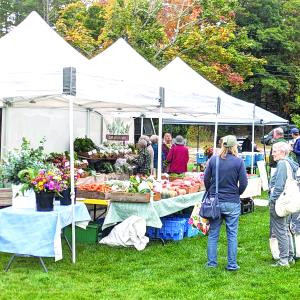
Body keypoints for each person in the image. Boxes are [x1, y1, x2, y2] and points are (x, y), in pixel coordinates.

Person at [204, 135, 248, 271]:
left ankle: (211, 264)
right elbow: (244, 183)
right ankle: (232, 264)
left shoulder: (213, 160)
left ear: (222, 145)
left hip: (215, 202)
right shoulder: (239, 162)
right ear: (235, 146)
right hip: (232, 201)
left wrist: (210, 191)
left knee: (213, 234)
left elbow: (206, 179)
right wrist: (237, 193)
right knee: (232, 234)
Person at [269, 142, 299, 267]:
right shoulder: (290, 162)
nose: (272, 154)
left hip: (280, 201)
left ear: (282, 152)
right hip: (288, 201)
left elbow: (279, 186)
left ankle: (283, 260)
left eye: (275, 151)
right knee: (286, 229)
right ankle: (290, 256)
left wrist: (272, 200)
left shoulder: (282, 164)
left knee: (280, 230)